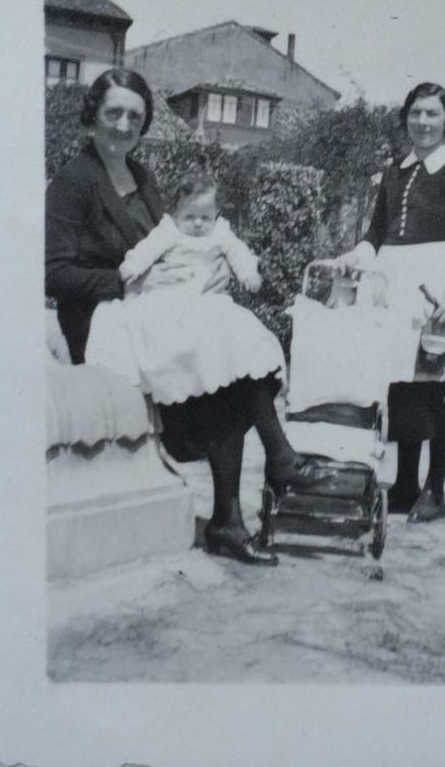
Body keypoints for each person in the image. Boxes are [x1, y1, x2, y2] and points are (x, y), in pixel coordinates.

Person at [46, 68, 323, 566]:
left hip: (162, 309)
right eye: (114, 113)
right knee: (223, 355)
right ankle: (257, 489)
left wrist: (213, 275)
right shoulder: (73, 183)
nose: (124, 124)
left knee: (233, 345)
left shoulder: (143, 177)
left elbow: (182, 244)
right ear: (93, 116)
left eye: (135, 115)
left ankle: (231, 518)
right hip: (102, 316)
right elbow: (54, 275)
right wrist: (130, 283)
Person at [337, 81, 445, 520]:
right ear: (406, 118)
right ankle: (404, 484)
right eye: (416, 113)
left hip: (439, 289)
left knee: (439, 388)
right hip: (394, 286)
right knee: (401, 386)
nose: (423, 122)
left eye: (432, 114)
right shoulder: (395, 170)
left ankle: (434, 489)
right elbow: (376, 233)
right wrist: (355, 259)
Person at [85, 165, 284, 408]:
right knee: (169, 333)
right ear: (176, 212)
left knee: (233, 330)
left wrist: (248, 273)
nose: (198, 224)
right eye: (190, 217)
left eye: (205, 217)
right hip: (170, 293)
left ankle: (218, 381)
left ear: (216, 214)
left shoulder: (220, 232)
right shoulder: (169, 230)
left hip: (206, 295)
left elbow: (238, 252)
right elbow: (148, 248)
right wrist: (132, 267)